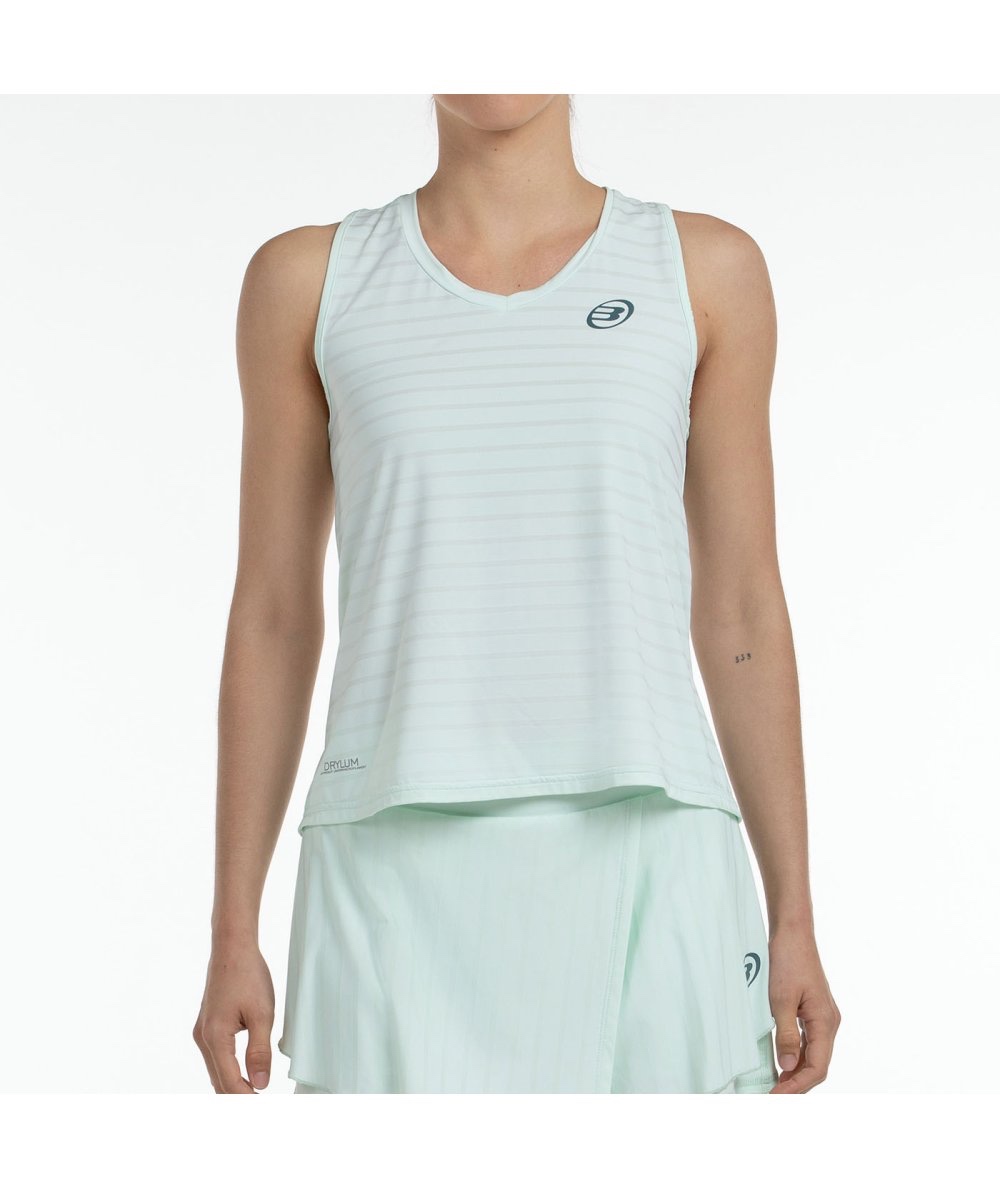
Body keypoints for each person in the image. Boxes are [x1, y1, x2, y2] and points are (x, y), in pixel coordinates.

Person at [192, 93, 841, 1094]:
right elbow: (273, 614)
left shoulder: (701, 270)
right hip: (390, 854)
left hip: (652, 841)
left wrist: (794, 911)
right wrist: (233, 927)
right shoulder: (310, 280)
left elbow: (742, 605)